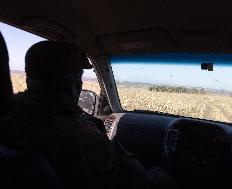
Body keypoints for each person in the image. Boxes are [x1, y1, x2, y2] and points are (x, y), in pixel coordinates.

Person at [3, 41, 176, 189]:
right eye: (79, 77)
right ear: (70, 83)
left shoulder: (7, 114)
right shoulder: (81, 136)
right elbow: (135, 181)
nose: (80, 83)